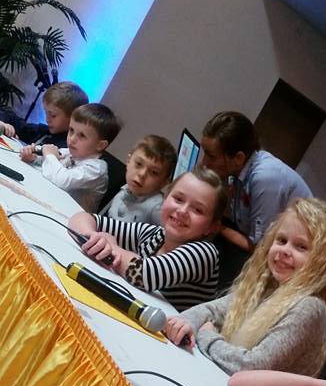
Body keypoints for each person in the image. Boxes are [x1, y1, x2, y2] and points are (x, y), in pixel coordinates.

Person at [164, 198, 326, 375]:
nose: (284, 250)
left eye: (301, 247)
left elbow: (251, 366)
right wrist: (186, 322)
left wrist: (207, 336)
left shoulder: (310, 307)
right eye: (281, 240)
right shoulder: (266, 286)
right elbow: (211, 310)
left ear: (323, 262)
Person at [69, 166, 226, 310]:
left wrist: (112, 247)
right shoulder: (154, 234)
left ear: (211, 227)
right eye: (178, 199)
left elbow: (141, 274)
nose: (182, 211)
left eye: (198, 210)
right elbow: (81, 218)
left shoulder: (204, 252)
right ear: (165, 198)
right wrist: (94, 238)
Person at [200, 111, 312, 284]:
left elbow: (261, 248)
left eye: (211, 156)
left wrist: (219, 228)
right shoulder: (239, 171)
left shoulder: (264, 177)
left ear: (239, 158)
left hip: (286, 262)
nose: (204, 163)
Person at [20, 102, 122, 212]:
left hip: (67, 218)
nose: (72, 139)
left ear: (100, 145)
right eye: (71, 130)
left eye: (82, 135)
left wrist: (49, 155)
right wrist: (34, 158)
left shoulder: (96, 169)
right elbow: (52, 167)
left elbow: (61, 179)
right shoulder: (72, 152)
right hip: (51, 204)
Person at [102, 134, 176, 224]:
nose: (142, 174)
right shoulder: (126, 189)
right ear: (129, 161)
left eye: (154, 172)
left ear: (164, 182)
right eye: (139, 164)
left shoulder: (157, 208)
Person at [0, 81, 89, 147]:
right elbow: (15, 120)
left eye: (53, 115)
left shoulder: (69, 148)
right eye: (46, 113)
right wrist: (3, 124)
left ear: (72, 118)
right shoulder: (44, 132)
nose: (47, 119)